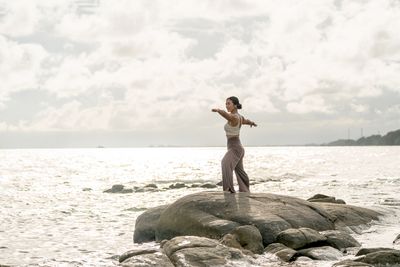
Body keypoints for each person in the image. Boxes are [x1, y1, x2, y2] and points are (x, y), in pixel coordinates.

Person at [212, 96, 257, 193]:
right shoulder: (240, 117)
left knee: (225, 163)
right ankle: (245, 190)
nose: (227, 105)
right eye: (226, 104)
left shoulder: (235, 117)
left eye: (229, 103)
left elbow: (227, 116)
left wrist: (219, 110)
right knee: (239, 171)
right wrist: (252, 123)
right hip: (236, 147)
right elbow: (246, 121)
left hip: (235, 147)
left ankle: (228, 189)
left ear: (235, 105)